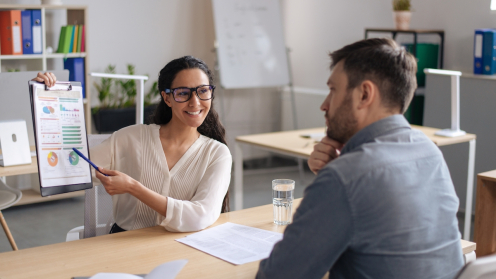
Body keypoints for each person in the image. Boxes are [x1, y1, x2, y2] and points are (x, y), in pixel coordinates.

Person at [256, 38, 464, 279]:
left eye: (333, 90)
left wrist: (334, 179)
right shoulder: (430, 153)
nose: (324, 105)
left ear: (364, 94)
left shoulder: (345, 177)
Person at [33, 56, 232, 233]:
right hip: (124, 246)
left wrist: (133, 188)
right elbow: (67, 166)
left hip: (183, 249)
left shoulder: (217, 153)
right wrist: (45, 100)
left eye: (203, 91)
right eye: (183, 93)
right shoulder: (131, 138)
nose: (195, 102)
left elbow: (200, 216)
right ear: (167, 98)